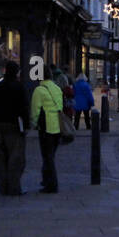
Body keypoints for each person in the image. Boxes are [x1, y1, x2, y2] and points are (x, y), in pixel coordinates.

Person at [0, 60, 28, 195]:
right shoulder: (19, 87)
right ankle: (14, 188)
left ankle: (3, 187)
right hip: (13, 125)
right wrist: (26, 126)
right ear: (16, 72)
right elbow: (24, 108)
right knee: (15, 158)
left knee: (0, 159)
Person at [30, 64, 65, 193]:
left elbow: (35, 111)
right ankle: (46, 180)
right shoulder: (56, 88)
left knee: (47, 157)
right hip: (58, 127)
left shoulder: (39, 90)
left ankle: (52, 184)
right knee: (50, 156)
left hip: (46, 127)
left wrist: (33, 123)